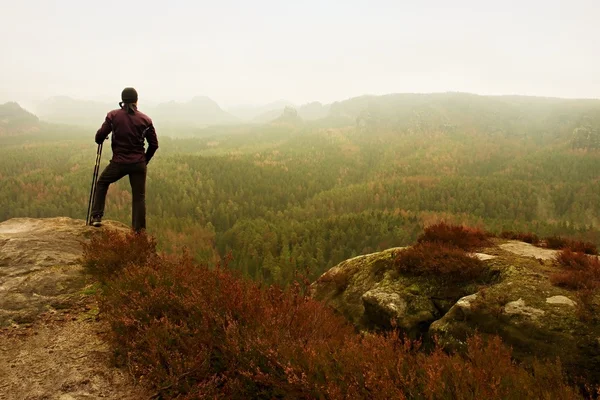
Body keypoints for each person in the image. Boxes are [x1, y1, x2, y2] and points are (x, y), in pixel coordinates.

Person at [90, 87, 159, 231]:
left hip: (119, 162)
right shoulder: (145, 120)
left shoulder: (113, 116)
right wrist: (144, 160)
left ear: (122, 100)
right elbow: (154, 144)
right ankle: (138, 232)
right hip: (138, 163)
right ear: (136, 100)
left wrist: (101, 137)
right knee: (139, 197)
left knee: (102, 183)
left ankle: (96, 217)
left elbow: (99, 136)